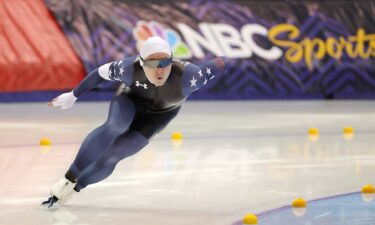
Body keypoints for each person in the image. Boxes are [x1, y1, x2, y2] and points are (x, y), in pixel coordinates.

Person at [42, 36, 227, 208]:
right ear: (141, 62)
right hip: (130, 100)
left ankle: (75, 188)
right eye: (152, 63)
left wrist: (224, 57)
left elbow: (218, 63)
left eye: (165, 62)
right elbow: (99, 73)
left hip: (158, 117)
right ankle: (69, 177)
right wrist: (73, 95)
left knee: (113, 155)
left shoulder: (191, 77)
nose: (159, 69)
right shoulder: (128, 68)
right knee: (116, 126)